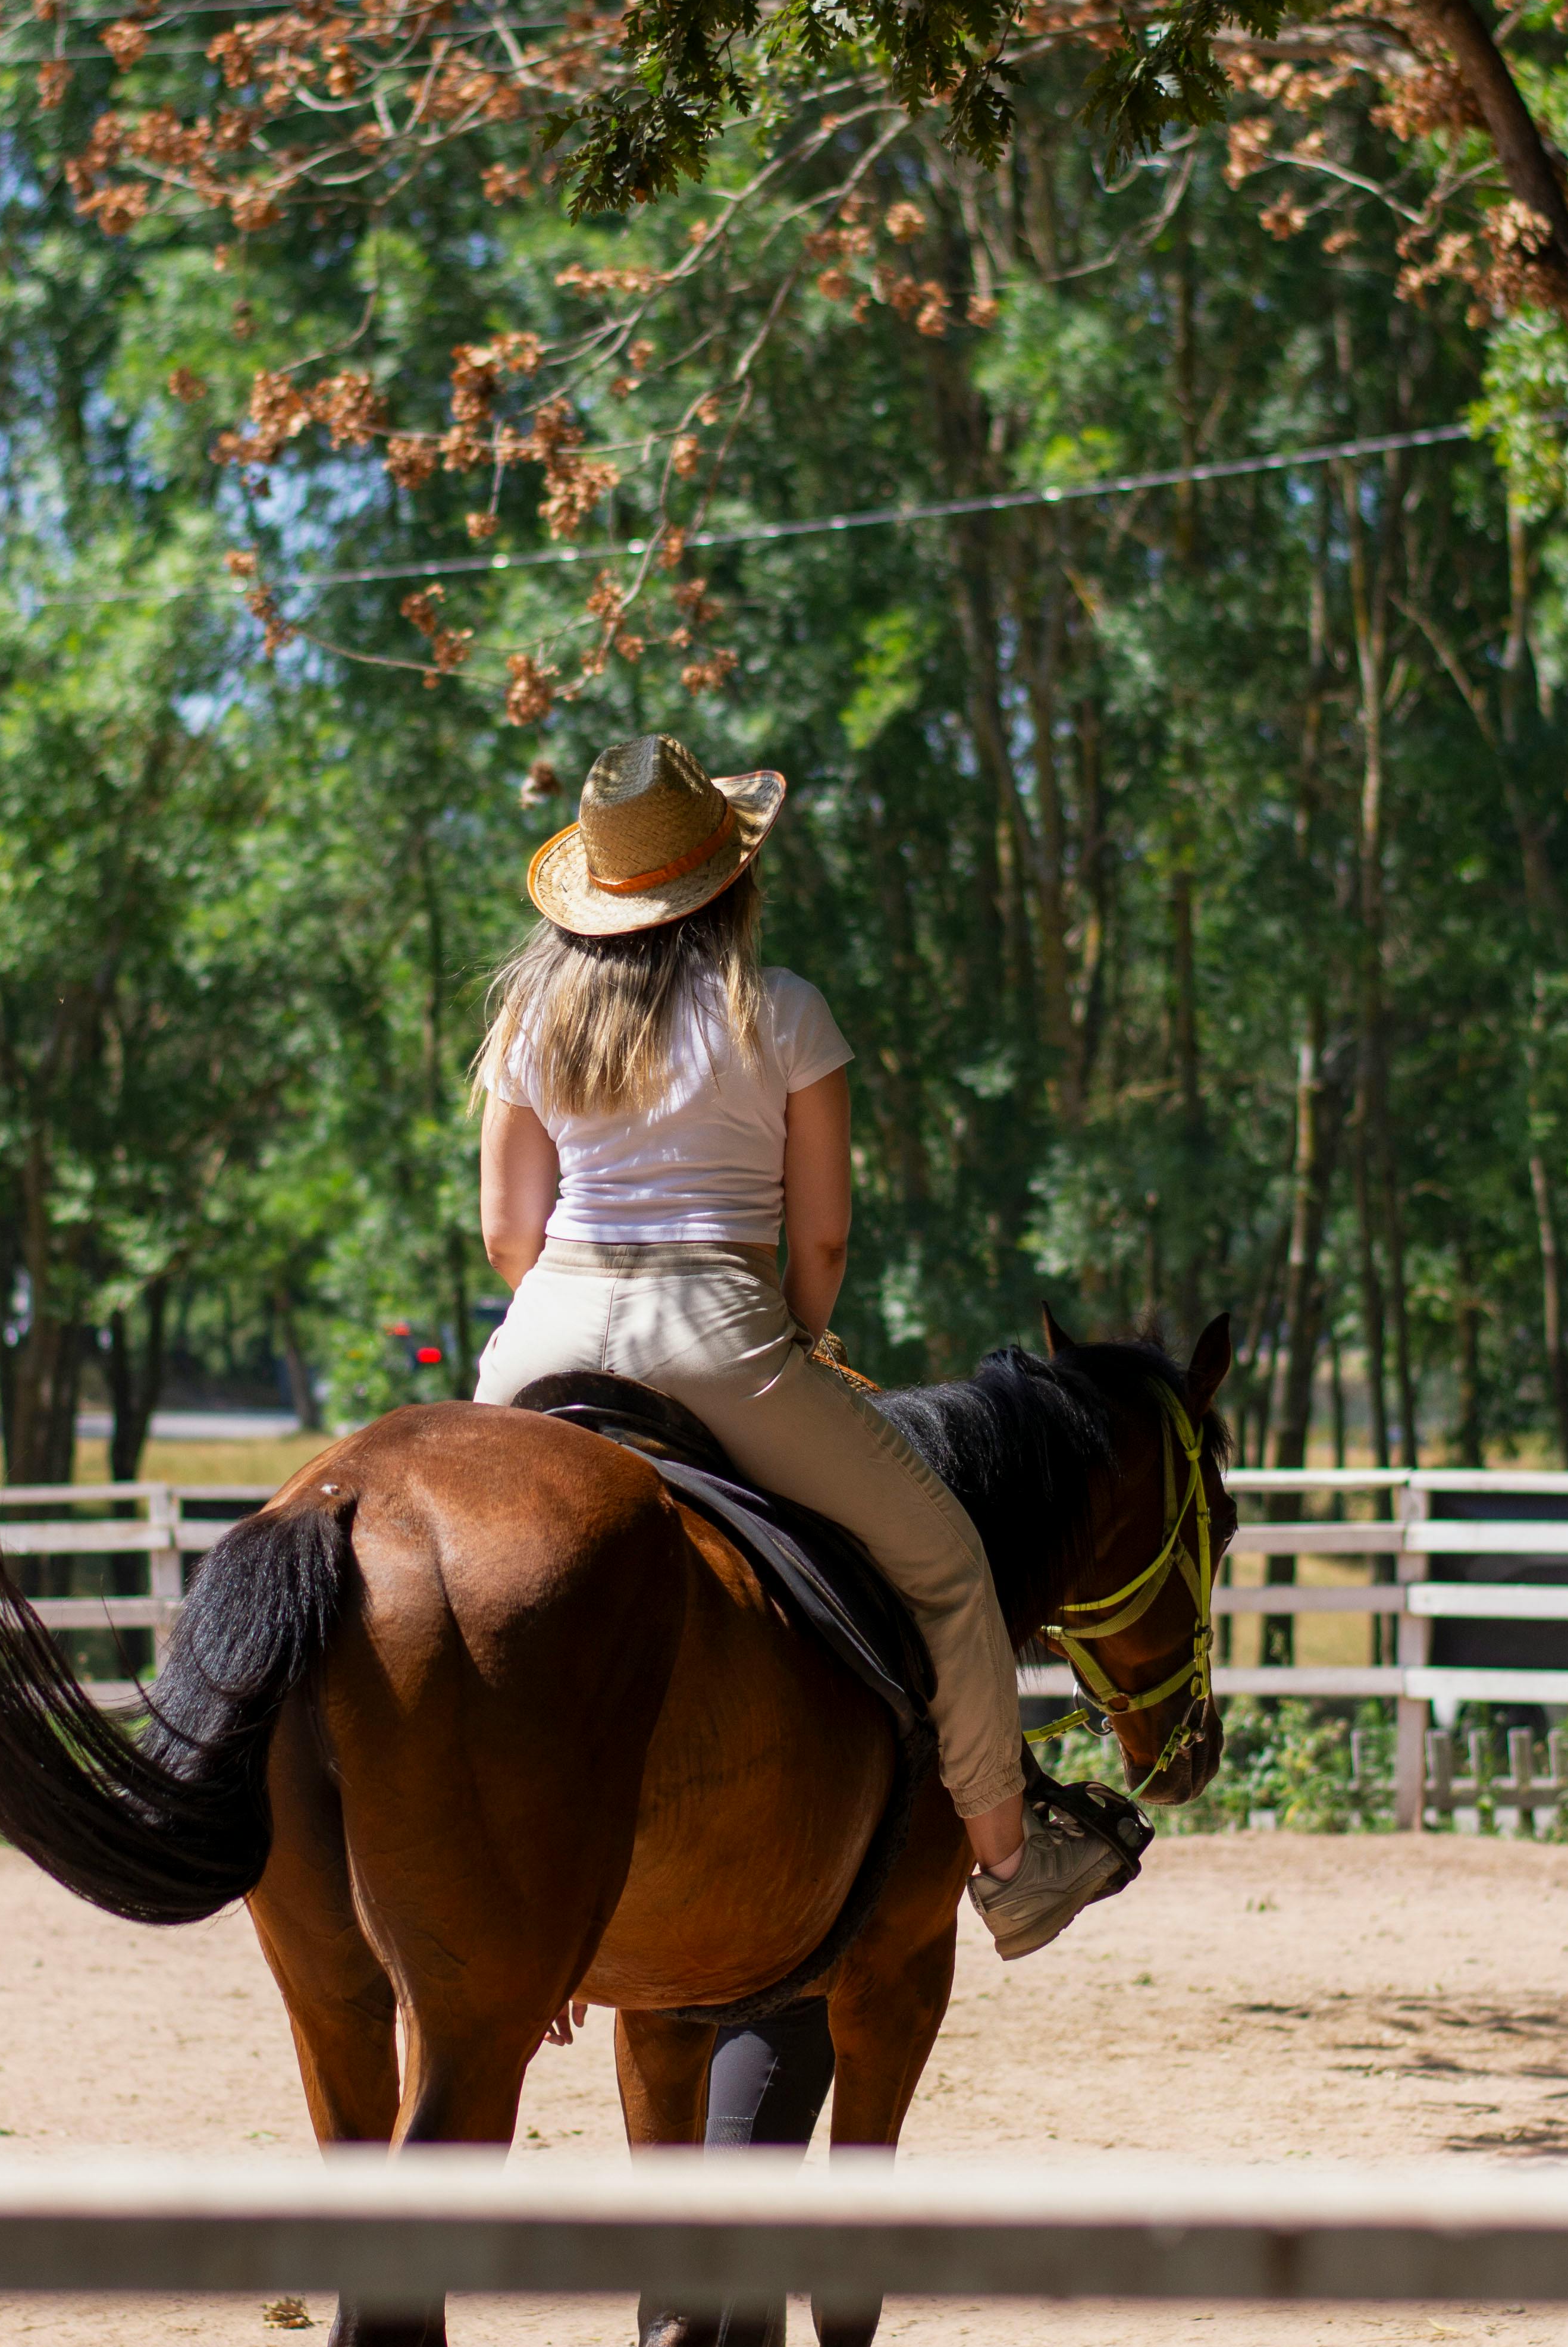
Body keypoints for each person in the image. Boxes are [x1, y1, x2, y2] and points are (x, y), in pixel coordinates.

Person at [471, 728, 1141, 1956]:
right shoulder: (779, 1012)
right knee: (944, 1563)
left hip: (539, 1340)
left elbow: (508, 1231)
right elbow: (819, 1244)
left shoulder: (532, 1015)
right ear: (729, 881)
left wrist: (570, 1315)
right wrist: (798, 1349)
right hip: (720, 1333)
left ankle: (500, 1895)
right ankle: (1009, 1858)